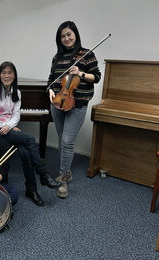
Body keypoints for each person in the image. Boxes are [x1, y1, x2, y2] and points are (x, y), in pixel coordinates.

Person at [0, 61, 60, 207]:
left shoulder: (17, 93)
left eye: (10, 73)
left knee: (26, 153)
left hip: (8, 130)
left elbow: (16, 115)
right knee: (30, 139)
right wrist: (6, 126)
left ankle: (31, 190)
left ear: (14, 75)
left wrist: (10, 126)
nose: (7, 75)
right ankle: (43, 174)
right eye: (4, 73)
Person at [47, 21, 101, 198]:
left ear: (75, 34)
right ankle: (67, 172)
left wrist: (81, 74)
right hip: (58, 103)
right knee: (62, 138)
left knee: (67, 141)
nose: (66, 38)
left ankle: (63, 178)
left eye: (69, 34)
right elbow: (52, 80)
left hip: (77, 104)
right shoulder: (57, 58)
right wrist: (50, 91)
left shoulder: (86, 54)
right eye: (63, 36)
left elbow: (97, 77)